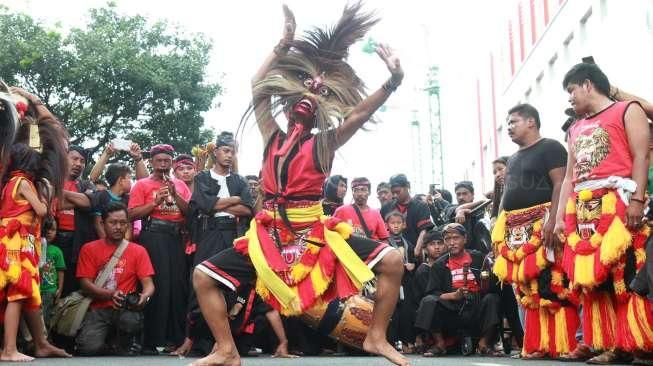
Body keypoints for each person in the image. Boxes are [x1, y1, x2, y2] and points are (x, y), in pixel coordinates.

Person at [192, 4, 407, 365]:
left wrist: (392, 81)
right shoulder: (271, 135)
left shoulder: (325, 143)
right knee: (203, 277)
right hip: (269, 235)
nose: (310, 97)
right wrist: (283, 44)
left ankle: (376, 337)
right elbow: (256, 88)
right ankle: (227, 350)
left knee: (394, 260)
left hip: (314, 233)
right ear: (291, 99)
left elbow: (358, 113)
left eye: (318, 94)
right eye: (304, 91)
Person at [553, 63, 653, 363]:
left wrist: (636, 199)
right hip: (582, 208)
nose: (570, 98)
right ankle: (606, 341)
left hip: (618, 200)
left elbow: (640, 156)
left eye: (572, 91)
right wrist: (560, 217)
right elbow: (570, 177)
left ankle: (633, 342)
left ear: (587, 84)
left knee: (625, 271)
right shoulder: (574, 128)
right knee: (593, 279)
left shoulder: (628, 109)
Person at [491, 103, 576, 359]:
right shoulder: (513, 158)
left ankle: (564, 343)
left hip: (545, 225)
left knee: (552, 284)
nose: (509, 128)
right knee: (527, 289)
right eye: (507, 124)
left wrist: (553, 219)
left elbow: (561, 183)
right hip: (516, 230)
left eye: (513, 122)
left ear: (531, 122)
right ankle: (537, 344)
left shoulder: (550, 147)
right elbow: (507, 196)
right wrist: (499, 225)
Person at [174, 132, 254, 356]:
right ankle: (192, 339)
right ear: (216, 151)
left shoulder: (239, 180)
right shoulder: (202, 178)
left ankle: (224, 343)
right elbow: (202, 205)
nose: (229, 156)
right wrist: (233, 201)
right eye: (226, 151)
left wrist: (219, 204)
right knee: (200, 283)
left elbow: (248, 209)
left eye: (233, 152)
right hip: (209, 234)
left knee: (231, 287)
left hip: (233, 234)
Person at [0, 144, 71, 361]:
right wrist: (45, 197)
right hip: (19, 242)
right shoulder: (23, 182)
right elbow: (40, 211)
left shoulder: (8, 184)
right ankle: (9, 349)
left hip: (10, 241)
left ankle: (40, 344)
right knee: (18, 293)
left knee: (21, 293)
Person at [128, 143, 191, 354]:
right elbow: (132, 214)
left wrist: (176, 194)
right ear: (151, 162)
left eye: (167, 161)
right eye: (159, 161)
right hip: (153, 236)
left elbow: (190, 212)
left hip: (176, 238)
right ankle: (150, 340)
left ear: (172, 162)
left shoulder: (180, 184)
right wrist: (155, 203)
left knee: (178, 286)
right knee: (158, 285)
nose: (163, 164)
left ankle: (176, 339)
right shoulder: (141, 185)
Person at [75, 202, 155, 356]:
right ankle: (111, 343)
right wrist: (110, 294)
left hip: (126, 309)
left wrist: (145, 297)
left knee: (130, 328)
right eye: (113, 222)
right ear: (102, 223)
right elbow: (85, 284)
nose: (118, 227)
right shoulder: (89, 249)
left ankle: (125, 340)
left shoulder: (139, 251)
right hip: (98, 308)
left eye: (123, 223)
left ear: (128, 225)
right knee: (88, 348)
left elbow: (149, 285)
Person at [420, 223, 502, 357]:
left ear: (465, 239)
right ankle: (440, 344)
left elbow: (492, 286)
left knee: (492, 298)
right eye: (447, 239)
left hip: (476, 305)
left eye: (456, 238)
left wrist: (487, 278)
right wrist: (453, 295)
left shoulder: (478, 258)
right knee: (429, 301)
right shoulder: (439, 264)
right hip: (452, 310)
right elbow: (433, 293)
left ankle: (484, 344)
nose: (452, 242)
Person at [384, 211, 417, 353]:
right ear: (387, 225)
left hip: (406, 281)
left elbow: (414, 261)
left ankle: (406, 341)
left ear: (404, 225)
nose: (396, 226)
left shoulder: (408, 244)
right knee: (391, 311)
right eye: (393, 223)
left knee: (406, 311)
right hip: (391, 281)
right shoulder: (384, 242)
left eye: (399, 223)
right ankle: (389, 342)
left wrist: (412, 265)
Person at [381, 174, 434, 260]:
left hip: (414, 254)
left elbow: (424, 230)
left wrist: (417, 251)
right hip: (391, 256)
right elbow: (382, 231)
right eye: (393, 192)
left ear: (407, 186)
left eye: (398, 192)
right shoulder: (386, 208)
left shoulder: (420, 206)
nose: (395, 195)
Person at [412, 230, 447, 353]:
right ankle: (437, 341)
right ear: (425, 249)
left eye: (440, 243)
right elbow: (427, 296)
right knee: (431, 301)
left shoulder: (448, 265)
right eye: (432, 244)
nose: (437, 247)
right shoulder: (423, 270)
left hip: (447, 303)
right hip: (428, 312)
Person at [93, 162, 132, 239]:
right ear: (121, 180)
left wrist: (125, 245)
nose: (130, 182)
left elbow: (128, 225)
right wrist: (107, 244)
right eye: (129, 178)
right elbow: (98, 223)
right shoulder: (101, 196)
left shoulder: (128, 199)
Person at [40, 218, 66, 330]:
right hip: (34, 288)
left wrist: (59, 289)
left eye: (53, 229)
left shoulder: (57, 251)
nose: (49, 232)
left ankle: (44, 340)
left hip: (49, 290)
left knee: (45, 317)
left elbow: (60, 271)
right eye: (47, 228)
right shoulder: (35, 246)